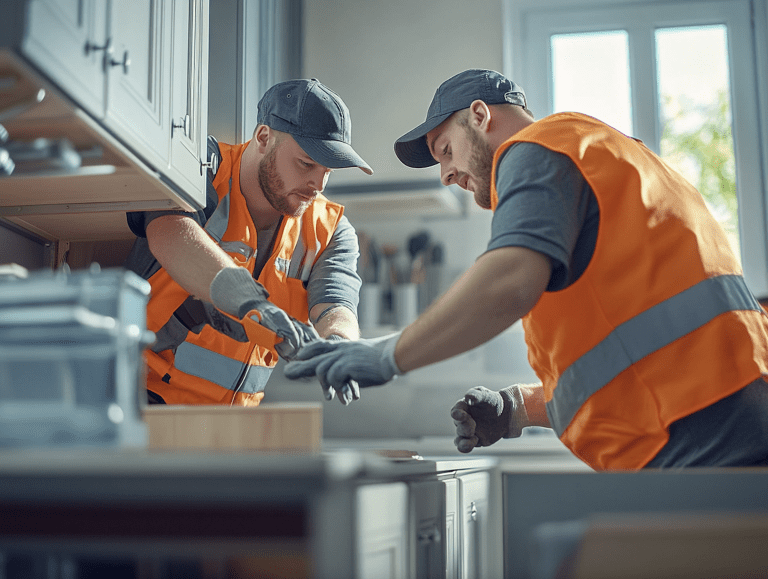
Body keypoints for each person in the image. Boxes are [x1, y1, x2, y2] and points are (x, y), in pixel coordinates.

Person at [284, 69, 768, 470]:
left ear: (480, 115)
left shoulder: (537, 149)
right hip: (717, 415)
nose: (446, 175)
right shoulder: (603, 154)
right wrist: (518, 409)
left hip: (698, 434)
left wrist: (384, 356)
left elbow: (510, 281)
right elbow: (630, 358)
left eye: (445, 150)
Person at [125, 78, 371, 407]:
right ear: (264, 137)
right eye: (306, 163)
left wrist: (339, 345)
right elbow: (170, 233)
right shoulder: (200, 164)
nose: (317, 183)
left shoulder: (332, 229)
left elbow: (336, 305)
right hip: (140, 400)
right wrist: (255, 305)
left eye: (328, 170)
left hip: (234, 425)